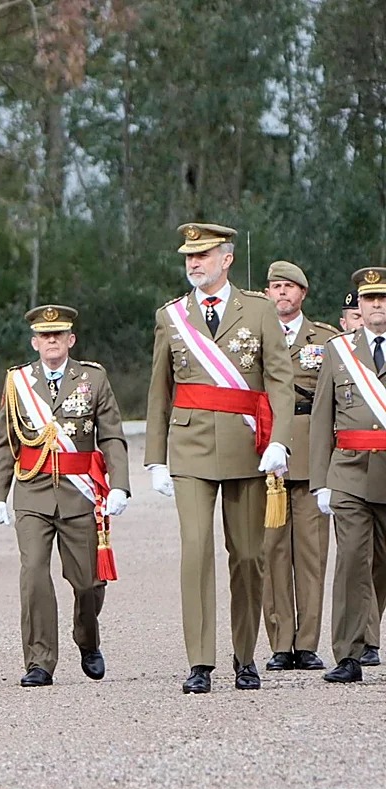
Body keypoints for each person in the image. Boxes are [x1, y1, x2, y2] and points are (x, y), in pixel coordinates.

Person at [145, 223, 294, 694]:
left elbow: (280, 381)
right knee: (195, 551)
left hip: (245, 446)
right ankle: (200, 661)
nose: (194, 263)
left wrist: (280, 441)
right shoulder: (171, 316)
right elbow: (159, 391)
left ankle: (245, 656)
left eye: (203, 255)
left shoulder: (260, 310)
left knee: (248, 556)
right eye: (189, 256)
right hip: (189, 446)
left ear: (226, 260)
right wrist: (155, 458)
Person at [0, 305, 130, 687]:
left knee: (87, 583)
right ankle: (40, 660)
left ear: (71, 340)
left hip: (79, 493)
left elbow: (111, 435)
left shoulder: (93, 378)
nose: (51, 341)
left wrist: (119, 483)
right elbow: (5, 443)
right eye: (44, 336)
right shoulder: (18, 382)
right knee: (34, 573)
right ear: (35, 342)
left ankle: (87, 639)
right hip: (32, 492)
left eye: (58, 335)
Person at [260, 261, 338, 672]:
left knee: (311, 553)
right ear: (267, 293)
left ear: (303, 293)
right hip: (266, 452)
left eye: (289, 286)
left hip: (309, 451)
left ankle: (307, 643)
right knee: (271, 551)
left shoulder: (324, 339)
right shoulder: (252, 336)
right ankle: (280, 643)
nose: (282, 293)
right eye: (275, 286)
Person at [310, 267, 386, 684]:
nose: (376, 306)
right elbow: (322, 418)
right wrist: (321, 481)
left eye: (383, 299)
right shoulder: (339, 351)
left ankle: (369, 633)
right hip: (350, 473)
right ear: (359, 305)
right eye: (369, 299)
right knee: (352, 562)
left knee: (380, 567)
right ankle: (348, 654)